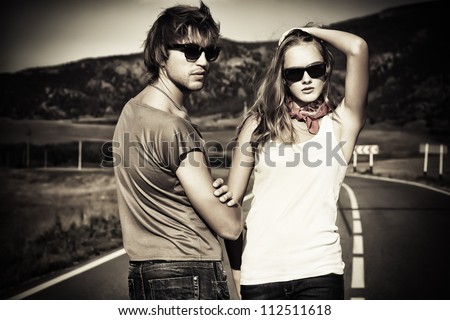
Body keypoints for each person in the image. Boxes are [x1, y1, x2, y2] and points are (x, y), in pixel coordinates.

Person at [217, 24, 369, 299]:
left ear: (327, 70)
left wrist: (308, 30)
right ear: (283, 78)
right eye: (295, 73)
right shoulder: (257, 125)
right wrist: (237, 270)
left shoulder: (341, 124)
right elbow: (232, 206)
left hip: (321, 273)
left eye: (315, 69)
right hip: (260, 275)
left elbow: (357, 48)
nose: (307, 79)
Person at [112, 1, 244, 300]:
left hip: (144, 274)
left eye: (210, 52)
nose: (203, 62)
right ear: (160, 53)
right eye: (191, 52)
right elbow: (231, 227)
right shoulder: (176, 128)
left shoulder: (130, 113)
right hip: (190, 272)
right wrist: (230, 199)